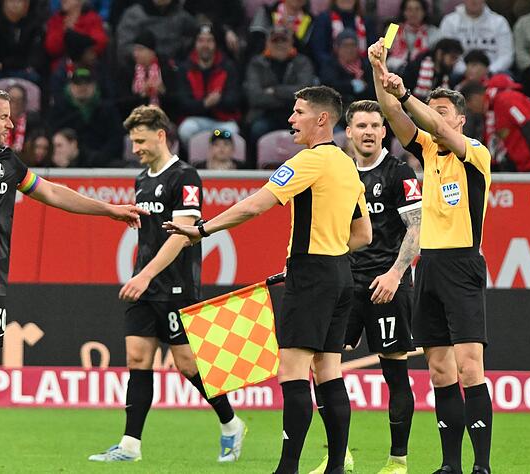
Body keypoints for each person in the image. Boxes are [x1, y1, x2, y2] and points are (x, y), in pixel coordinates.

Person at [0, 86, 145, 474]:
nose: (10, 124)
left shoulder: (6, 161)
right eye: (3, 116)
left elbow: (50, 191)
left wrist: (108, 210)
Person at [165, 87, 373, 474]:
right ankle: (336, 469)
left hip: (311, 274)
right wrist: (329, 251)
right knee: (328, 372)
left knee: (293, 372)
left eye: (298, 113)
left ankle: (288, 468)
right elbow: (364, 235)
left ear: (322, 119)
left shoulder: (309, 161)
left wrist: (202, 229)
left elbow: (257, 203)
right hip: (340, 274)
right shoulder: (347, 165)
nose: (291, 120)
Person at [89, 105, 248, 465]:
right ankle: (130, 445)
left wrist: (145, 275)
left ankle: (231, 422)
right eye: (133, 141)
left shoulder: (186, 177)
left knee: (188, 364)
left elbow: (181, 237)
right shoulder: (142, 178)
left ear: (161, 135)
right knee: (137, 358)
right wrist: (142, 273)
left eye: (141, 140)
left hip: (177, 285)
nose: (136, 149)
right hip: (145, 283)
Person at [370, 37, 493, 474]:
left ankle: (482, 466)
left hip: (461, 263)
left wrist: (406, 92)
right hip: (430, 267)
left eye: (443, 112)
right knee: (440, 370)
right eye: (433, 110)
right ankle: (450, 465)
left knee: (468, 366)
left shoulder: (475, 153)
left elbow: (432, 126)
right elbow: (392, 115)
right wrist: (379, 72)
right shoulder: (426, 151)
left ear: (460, 119)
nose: (435, 119)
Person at [312, 100, 422, 474]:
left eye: (376, 125)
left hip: (387, 283)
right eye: (362, 126)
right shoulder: (337, 172)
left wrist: (394, 274)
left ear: (385, 131)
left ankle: (397, 460)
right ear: (349, 132)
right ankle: (338, 454)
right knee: (322, 364)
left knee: (395, 372)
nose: (370, 132)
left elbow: (417, 229)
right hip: (344, 282)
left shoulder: (398, 172)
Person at [244, 26, 317, 146]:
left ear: (291, 42)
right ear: (267, 43)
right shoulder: (256, 63)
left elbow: (306, 93)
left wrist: (274, 91)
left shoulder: (303, 62)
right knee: (257, 129)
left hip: (297, 115)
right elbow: (254, 97)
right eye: (275, 41)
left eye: (284, 40)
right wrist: (289, 98)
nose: (280, 44)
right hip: (265, 114)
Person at [175, 24, 242, 146]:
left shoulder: (228, 67)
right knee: (186, 129)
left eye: (209, 41)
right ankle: (195, 161)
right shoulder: (185, 68)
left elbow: (235, 100)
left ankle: (221, 164)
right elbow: (183, 103)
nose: (205, 45)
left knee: (231, 132)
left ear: (215, 44)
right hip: (196, 121)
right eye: (201, 40)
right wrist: (205, 103)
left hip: (222, 122)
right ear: (195, 44)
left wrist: (218, 101)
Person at [438, 0, 513, 75]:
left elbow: (506, 56)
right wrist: (466, 71)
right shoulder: (449, 22)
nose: (474, 1)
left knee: (506, 75)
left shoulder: (499, 22)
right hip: (460, 73)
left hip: (493, 72)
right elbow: (448, 56)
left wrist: (489, 71)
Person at [385, 0, 440, 75]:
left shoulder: (433, 31)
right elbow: (384, 53)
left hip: (422, 73)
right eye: (409, 9)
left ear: (424, 12)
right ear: (404, 12)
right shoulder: (392, 30)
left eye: (417, 9)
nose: (413, 13)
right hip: (394, 72)